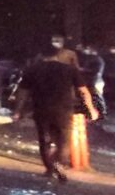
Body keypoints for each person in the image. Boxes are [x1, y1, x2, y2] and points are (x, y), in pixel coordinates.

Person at [15, 44, 98, 183]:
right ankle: (58, 164)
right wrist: (90, 109)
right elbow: (83, 91)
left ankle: (49, 169)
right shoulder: (69, 69)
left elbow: (23, 92)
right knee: (64, 141)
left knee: (45, 140)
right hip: (63, 110)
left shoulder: (33, 69)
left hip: (41, 109)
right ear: (59, 55)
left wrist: (18, 110)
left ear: (41, 55)